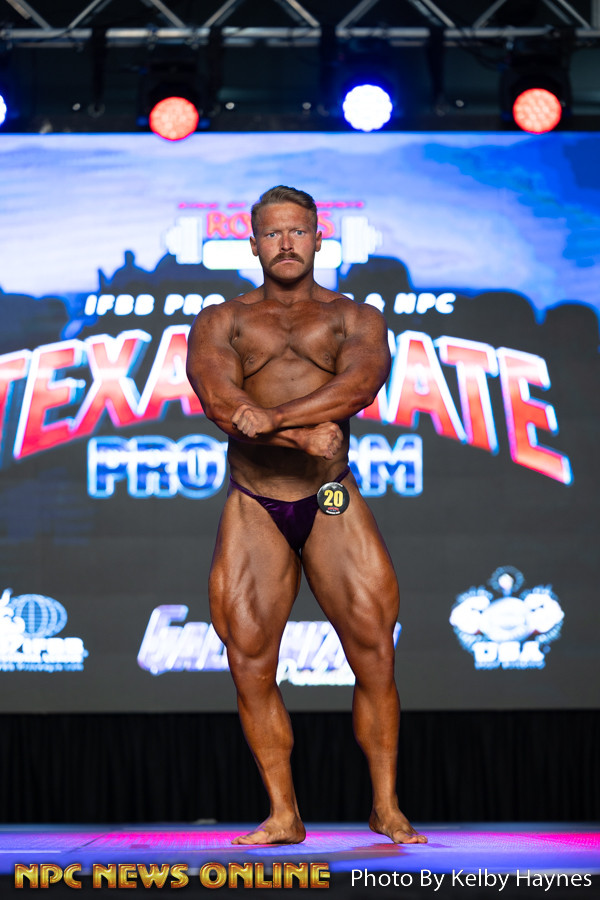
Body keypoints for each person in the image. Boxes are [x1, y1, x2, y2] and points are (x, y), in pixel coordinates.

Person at [186, 185, 426, 846]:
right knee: (249, 662)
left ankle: (386, 807)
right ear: (253, 243)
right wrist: (298, 438)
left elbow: (360, 383)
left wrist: (275, 420)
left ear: (320, 238)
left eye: (298, 231)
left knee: (375, 651)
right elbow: (220, 401)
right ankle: (283, 814)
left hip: (329, 496)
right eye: (273, 233)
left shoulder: (355, 317)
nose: (286, 243)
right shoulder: (221, 320)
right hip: (254, 501)